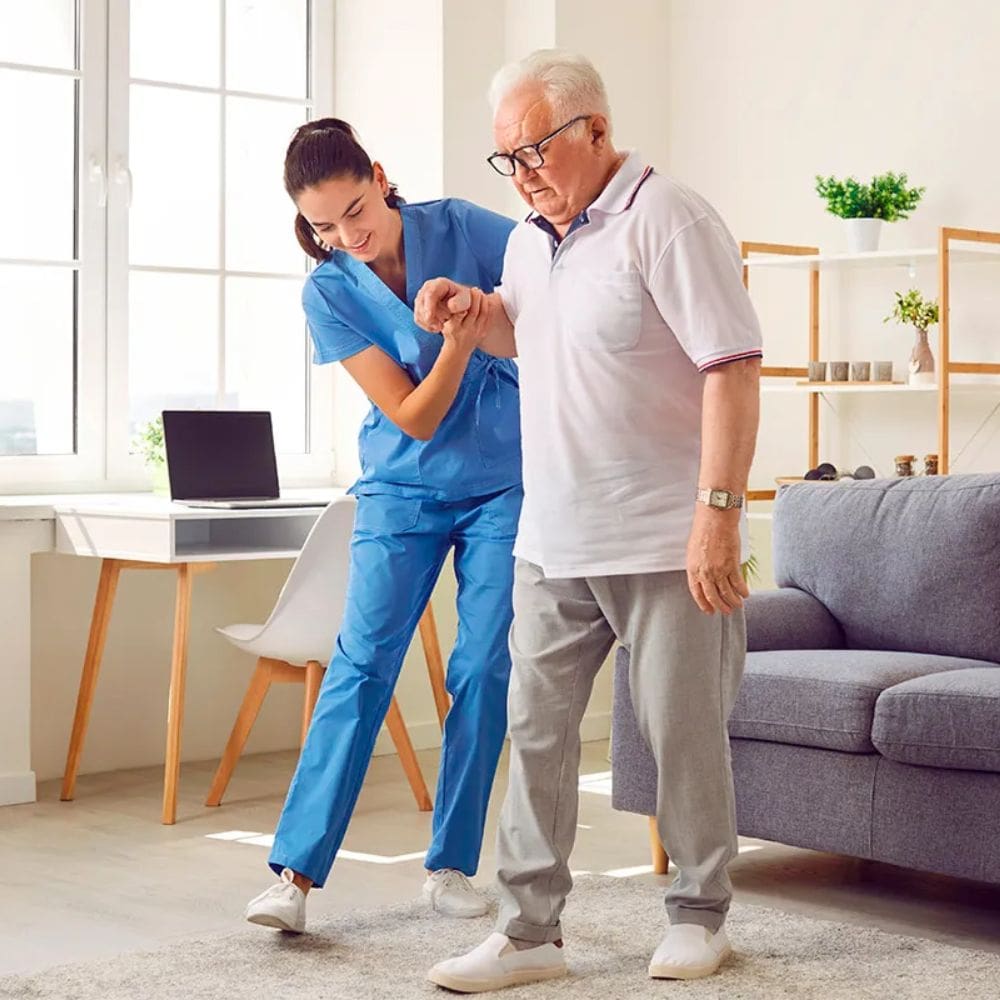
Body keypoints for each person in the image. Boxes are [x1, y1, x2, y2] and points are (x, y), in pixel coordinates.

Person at [415, 50, 763, 991]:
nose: (522, 172)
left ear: (595, 131)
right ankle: (530, 934)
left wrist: (718, 517)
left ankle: (700, 913)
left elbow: (731, 367)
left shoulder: (670, 217)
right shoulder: (530, 240)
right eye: (507, 158)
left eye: (534, 150)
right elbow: (536, 335)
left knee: (681, 731)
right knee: (534, 732)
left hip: (663, 535)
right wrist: (473, 312)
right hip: (554, 536)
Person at [244, 118, 522, 934]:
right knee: (362, 665)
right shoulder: (329, 290)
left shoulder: (467, 227)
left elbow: (557, 271)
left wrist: (486, 316)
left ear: (380, 175)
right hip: (401, 489)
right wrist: (460, 347)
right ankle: (292, 876)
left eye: (356, 210)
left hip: (505, 483)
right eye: (325, 226)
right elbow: (411, 414)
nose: (348, 236)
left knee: (480, 668)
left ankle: (450, 867)